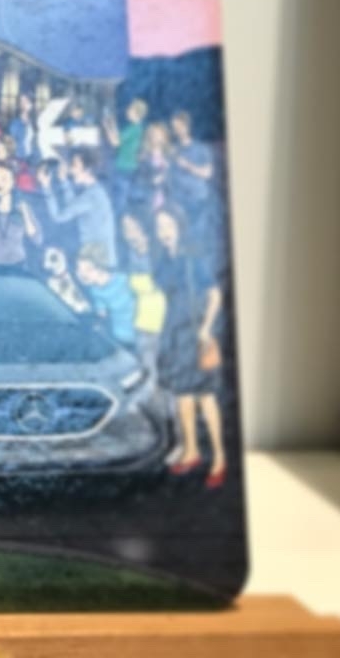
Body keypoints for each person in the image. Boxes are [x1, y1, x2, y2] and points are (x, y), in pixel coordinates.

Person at [154, 206, 228, 489]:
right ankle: (192, 451)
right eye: (159, 226)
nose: (164, 231)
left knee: (206, 397)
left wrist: (206, 328)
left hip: (195, 334)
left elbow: (215, 294)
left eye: (168, 225)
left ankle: (219, 457)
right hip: (174, 334)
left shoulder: (193, 258)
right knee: (182, 396)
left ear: (179, 225)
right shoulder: (164, 261)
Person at [39, 147, 117, 268]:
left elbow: (58, 216)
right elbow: (74, 206)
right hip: (97, 257)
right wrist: (64, 181)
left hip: (98, 262)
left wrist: (46, 187)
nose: (71, 170)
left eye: (74, 165)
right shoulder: (95, 191)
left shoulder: (92, 196)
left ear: (88, 170)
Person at [120, 211, 168, 377]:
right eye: (124, 228)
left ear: (143, 227)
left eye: (132, 227)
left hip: (162, 321)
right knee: (146, 366)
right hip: (142, 320)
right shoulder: (130, 253)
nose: (128, 233)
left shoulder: (159, 251)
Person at [0, 165, 42, 267]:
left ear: (12, 183)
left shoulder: (21, 207)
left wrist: (25, 214)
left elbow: (37, 239)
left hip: (19, 264)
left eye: (3, 179)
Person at [76, 245, 137, 349]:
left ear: (101, 268)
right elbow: (101, 315)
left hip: (141, 338)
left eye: (88, 269)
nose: (82, 274)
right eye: (79, 269)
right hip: (119, 342)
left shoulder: (124, 280)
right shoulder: (94, 291)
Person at [43, 246, 92, 314]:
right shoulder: (51, 284)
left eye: (60, 251)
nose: (59, 255)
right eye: (53, 257)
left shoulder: (78, 273)